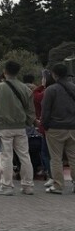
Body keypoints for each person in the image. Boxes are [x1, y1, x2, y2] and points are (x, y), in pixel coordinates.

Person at [0, 60, 35, 196]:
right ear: (18, 72)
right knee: (24, 156)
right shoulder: (25, 88)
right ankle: (28, 185)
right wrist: (28, 122)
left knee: (6, 156)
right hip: (21, 127)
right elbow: (30, 110)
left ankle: (6, 186)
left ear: (5, 71)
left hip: (4, 127)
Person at [40, 63, 75, 195]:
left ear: (54, 74)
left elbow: (46, 110)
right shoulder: (73, 87)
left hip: (55, 128)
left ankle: (58, 185)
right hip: (73, 127)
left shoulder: (51, 90)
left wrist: (45, 125)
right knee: (73, 157)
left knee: (56, 158)